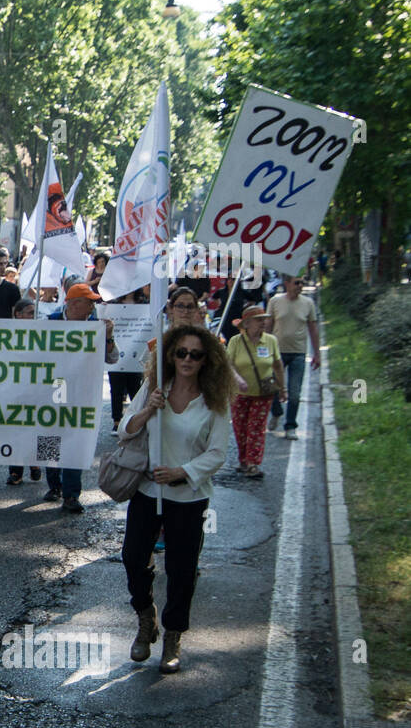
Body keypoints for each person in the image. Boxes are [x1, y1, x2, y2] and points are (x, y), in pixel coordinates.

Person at [119, 325, 233, 673]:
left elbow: (218, 454)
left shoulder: (214, 401)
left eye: (195, 354)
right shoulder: (155, 390)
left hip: (189, 497)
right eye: (181, 352)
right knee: (133, 557)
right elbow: (125, 428)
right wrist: (146, 411)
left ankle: (173, 634)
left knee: (182, 569)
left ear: (206, 361)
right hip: (148, 490)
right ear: (170, 356)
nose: (187, 359)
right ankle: (145, 618)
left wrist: (182, 471)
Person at [43, 284, 118, 512]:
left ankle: (71, 494)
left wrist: (108, 337)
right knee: (51, 436)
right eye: (89, 302)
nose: (93, 306)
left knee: (75, 439)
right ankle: (54, 484)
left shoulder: (96, 327)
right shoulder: (50, 322)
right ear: (74, 304)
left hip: (81, 391)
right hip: (52, 388)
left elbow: (113, 359)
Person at [225, 304, 284, 479]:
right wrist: (238, 379)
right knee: (240, 428)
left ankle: (253, 463)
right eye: (259, 320)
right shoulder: (235, 341)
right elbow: (227, 365)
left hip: (263, 394)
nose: (263, 323)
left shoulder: (271, 341)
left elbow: (278, 366)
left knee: (256, 428)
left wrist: (282, 388)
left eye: (264, 320)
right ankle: (244, 460)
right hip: (239, 393)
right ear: (247, 324)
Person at [265, 275, 320, 439]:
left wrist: (317, 354)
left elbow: (313, 329)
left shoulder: (308, 303)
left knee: (295, 392)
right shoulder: (275, 301)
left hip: (298, 353)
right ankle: (276, 412)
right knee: (272, 387)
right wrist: (263, 348)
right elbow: (268, 326)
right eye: (297, 283)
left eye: (302, 282)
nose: (300, 286)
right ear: (287, 284)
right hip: (277, 352)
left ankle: (290, 426)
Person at [6, 297, 44, 487]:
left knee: (43, 425)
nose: (33, 316)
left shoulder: (44, 331)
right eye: (30, 313)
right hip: (16, 388)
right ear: (18, 315)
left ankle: (39, 465)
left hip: (40, 388)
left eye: (35, 312)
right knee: (17, 428)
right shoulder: (6, 333)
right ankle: (16, 470)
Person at [107, 288, 147, 435]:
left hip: (135, 353)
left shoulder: (144, 303)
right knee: (116, 388)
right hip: (118, 351)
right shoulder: (113, 303)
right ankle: (116, 420)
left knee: (135, 388)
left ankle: (135, 419)